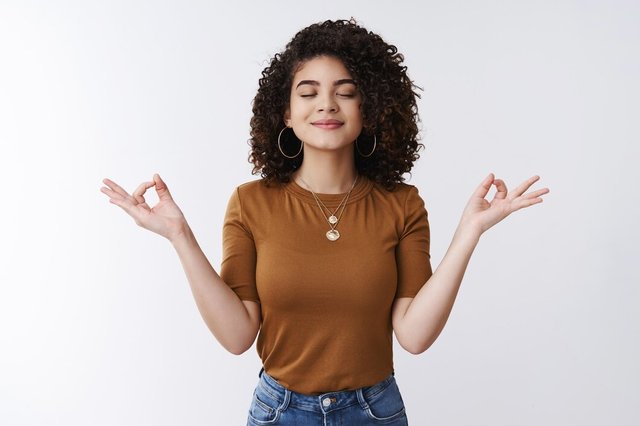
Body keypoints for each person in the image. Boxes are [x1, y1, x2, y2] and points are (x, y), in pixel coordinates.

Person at [100, 19, 549, 426]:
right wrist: (179, 236)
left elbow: (413, 335)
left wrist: (468, 233)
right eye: (308, 92)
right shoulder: (251, 203)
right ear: (286, 112)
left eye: (346, 92)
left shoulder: (402, 204)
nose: (327, 105)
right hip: (280, 412)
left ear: (369, 107)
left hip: (375, 412)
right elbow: (238, 335)